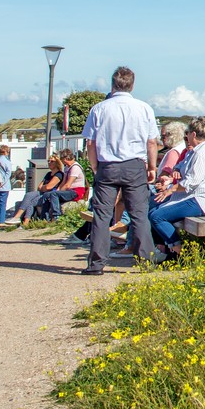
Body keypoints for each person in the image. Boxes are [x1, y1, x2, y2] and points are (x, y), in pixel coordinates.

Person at [81, 66, 159, 274]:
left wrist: (95, 165)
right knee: (139, 214)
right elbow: (152, 142)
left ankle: (96, 264)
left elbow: (91, 142)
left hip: (107, 166)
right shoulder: (144, 109)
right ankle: (146, 261)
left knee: (101, 214)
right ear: (132, 85)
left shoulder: (99, 109)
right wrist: (152, 167)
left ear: (113, 84)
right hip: (134, 165)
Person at [70, 120, 184, 248]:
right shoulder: (176, 151)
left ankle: (122, 231)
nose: (162, 139)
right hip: (168, 189)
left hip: (168, 191)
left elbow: (166, 174)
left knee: (131, 199)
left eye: (164, 136)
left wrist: (158, 176)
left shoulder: (173, 152)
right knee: (128, 198)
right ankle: (118, 229)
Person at [147, 118, 205, 259]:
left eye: (187, 134)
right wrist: (177, 170)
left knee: (157, 216)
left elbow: (192, 182)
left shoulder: (202, 153)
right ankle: (167, 250)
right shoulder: (195, 151)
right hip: (192, 198)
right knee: (154, 211)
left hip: (200, 201)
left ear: (192, 134)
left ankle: (181, 252)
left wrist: (170, 190)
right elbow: (181, 165)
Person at [12, 149, 86, 226]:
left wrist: (57, 191)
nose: (63, 162)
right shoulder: (67, 168)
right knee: (46, 195)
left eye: (62, 159)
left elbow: (67, 184)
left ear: (66, 158)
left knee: (53, 194)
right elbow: (63, 182)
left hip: (76, 191)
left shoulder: (75, 168)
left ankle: (56, 216)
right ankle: (44, 218)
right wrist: (58, 189)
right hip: (68, 190)